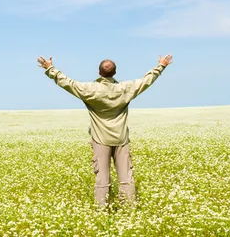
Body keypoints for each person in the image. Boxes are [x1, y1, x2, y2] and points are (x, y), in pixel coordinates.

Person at [37, 54, 173, 207]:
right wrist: (161, 66)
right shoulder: (125, 88)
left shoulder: (90, 89)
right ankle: (128, 208)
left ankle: (101, 208)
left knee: (102, 178)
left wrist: (50, 68)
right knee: (126, 177)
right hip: (121, 139)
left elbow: (67, 83)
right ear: (114, 73)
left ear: (99, 72)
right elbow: (145, 81)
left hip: (100, 139)